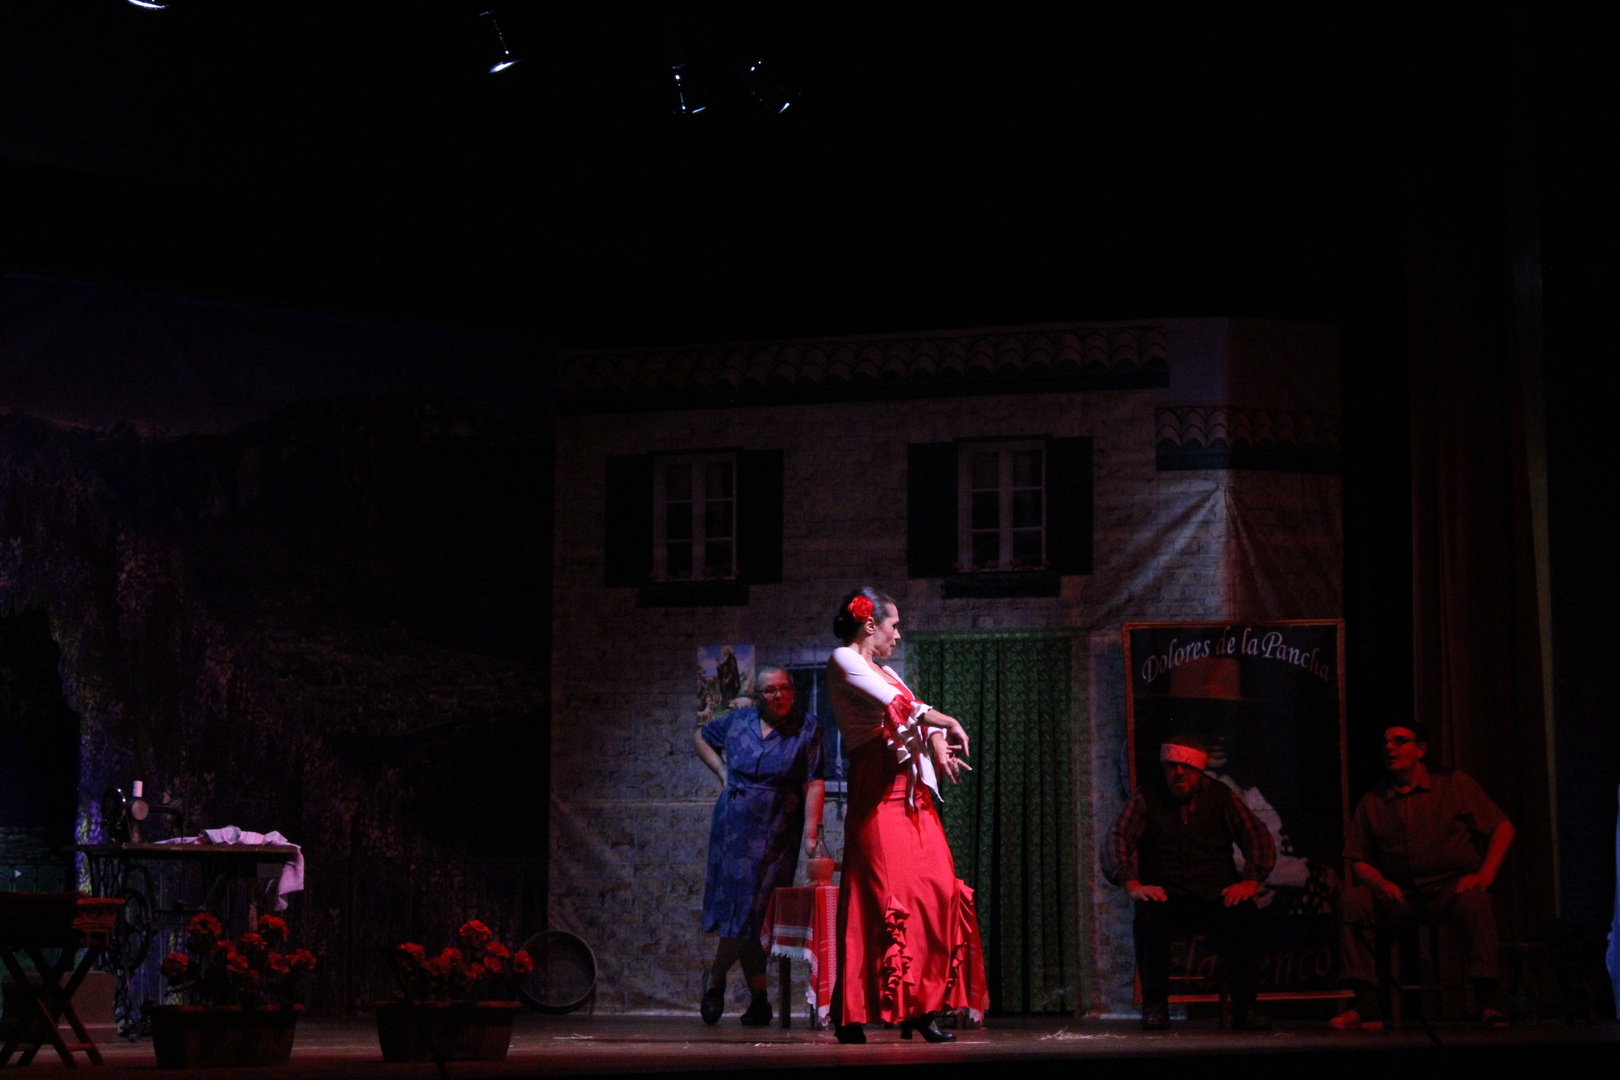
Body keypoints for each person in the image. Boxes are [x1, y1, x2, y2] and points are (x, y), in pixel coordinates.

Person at [827, 587, 988, 1044]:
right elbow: (896, 707)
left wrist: (938, 745)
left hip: (911, 796)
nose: (898, 635)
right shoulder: (844, 660)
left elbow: (912, 714)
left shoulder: (889, 670)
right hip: (877, 796)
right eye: (894, 625)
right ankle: (852, 1014)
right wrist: (947, 721)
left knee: (938, 892)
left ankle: (920, 1006)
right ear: (870, 624)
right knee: (880, 899)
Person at [1331, 723, 1516, 1031]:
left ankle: (1488, 1001)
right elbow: (1357, 859)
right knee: (1353, 900)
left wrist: (1486, 873)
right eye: (1385, 742)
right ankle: (1366, 1005)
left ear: (1421, 749)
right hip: (1400, 895)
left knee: (1476, 902)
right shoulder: (1374, 800)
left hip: (1449, 890)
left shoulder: (1453, 784)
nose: (1389, 747)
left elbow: (1503, 827)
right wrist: (1379, 883)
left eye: (1399, 741)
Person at [1105, 734, 1276, 1030]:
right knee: (1148, 917)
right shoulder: (1147, 797)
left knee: (1244, 915)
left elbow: (1257, 836)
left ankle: (1245, 1007)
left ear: (1199, 770)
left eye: (1187, 767)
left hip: (1214, 895)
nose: (1179, 773)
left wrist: (1250, 881)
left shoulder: (1221, 796)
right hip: (1167, 896)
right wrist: (1131, 882)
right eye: (1172, 766)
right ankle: (1155, 1005)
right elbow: (1116, 837)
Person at [695, 665, 826, 1026]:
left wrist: (811, 833)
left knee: (757, 912)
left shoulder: (807, 726)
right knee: (740, 909)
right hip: (733, 825)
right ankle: (759, 1001)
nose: (778, 695)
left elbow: (815, 781)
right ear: (758, 696)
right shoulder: (738, 722)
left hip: (778, 828)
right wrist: (722, 772)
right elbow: (701, 736)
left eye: (784, 688)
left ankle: (716, 978)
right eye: (770, 690)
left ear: (792, 692)